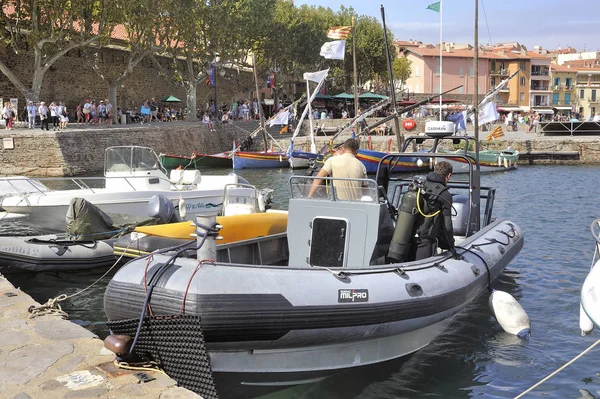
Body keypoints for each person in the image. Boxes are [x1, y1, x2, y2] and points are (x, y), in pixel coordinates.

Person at [413, 161, 460, 261]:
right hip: (425, 243)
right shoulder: (444, 194)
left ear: (435, 170)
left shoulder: (419, 185)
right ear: (449, 175)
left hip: (409, 236)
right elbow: (447, 226)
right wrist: (451, 246)